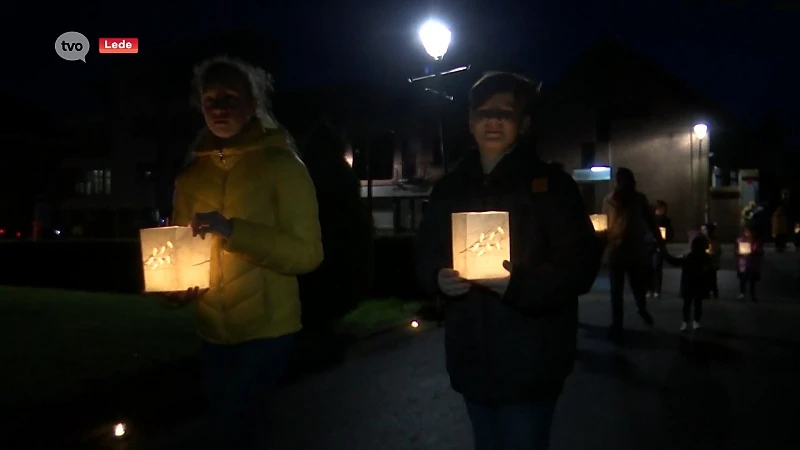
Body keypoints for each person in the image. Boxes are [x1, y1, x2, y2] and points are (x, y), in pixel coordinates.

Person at [414, 71, 601, 450]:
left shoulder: (552, 186)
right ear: (470, 123)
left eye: (506, 112)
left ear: (524, 122)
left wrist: (521, 285)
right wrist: (437, 277)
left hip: (533, 357)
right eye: (483, 113)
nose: (493, 121)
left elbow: (579, 266)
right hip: (472, 357)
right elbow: (424, 252)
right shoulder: (450, 188)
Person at [155, 56, 323, 450]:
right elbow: (181, 253)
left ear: (253, 104)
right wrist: (174, 292)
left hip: (268, 331)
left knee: (232, 429)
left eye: (231, 96)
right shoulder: (192, 174)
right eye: (211, 97)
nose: (219, 106)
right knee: (239, 429)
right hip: (213, 332)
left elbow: (307, 254)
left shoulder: (283, 165)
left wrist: (234, 231)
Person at [602, 167, 664, 344]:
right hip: (616, 250)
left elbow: (651, 222)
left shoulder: (639, 199)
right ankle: (617, 323)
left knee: (637, 286)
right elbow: (604, 224)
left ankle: (641, 308)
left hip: (634, 249)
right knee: (616, 290)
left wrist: (659, 243)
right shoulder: (609, 200)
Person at [663, 234, 714, 331]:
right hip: (699, 283)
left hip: (688, 283)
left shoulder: (688, 256)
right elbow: (711, 269)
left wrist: (664, 253)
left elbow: (674, 261)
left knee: (687, 304)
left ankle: (686, 322)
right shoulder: (706, 257)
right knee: (697, 303)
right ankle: (696, 322)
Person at [647, 199, 674, 298]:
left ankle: (656, 290)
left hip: (658, 246)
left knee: (656, 266)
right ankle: (650, 289)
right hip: (649, 245)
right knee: (649, 267)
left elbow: (670, 233)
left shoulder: (665, 220)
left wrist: (664, 237)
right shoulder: (649, 219)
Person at [735, 225, 763, 302]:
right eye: (746, 230)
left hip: (752, 264)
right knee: (742, 280)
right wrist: (738, 252)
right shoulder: (740, 240)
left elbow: (760, 251)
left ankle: (752, 295)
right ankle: (742, 293)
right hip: (743, 264)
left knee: (752, 281)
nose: (748, 232)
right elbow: (736, 250)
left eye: (749, 231)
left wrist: (752, 253)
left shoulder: (756, 241)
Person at [701, 222, 722, 299]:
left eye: (704, 230)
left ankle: (713, 291)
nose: (702, 231)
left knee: (712, 278)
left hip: (711, 263)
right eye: (702, 230)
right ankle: (706, 292)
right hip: (704, 262)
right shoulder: (702, 239)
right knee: (705, 278)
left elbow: (716, 252)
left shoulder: (714, 241)